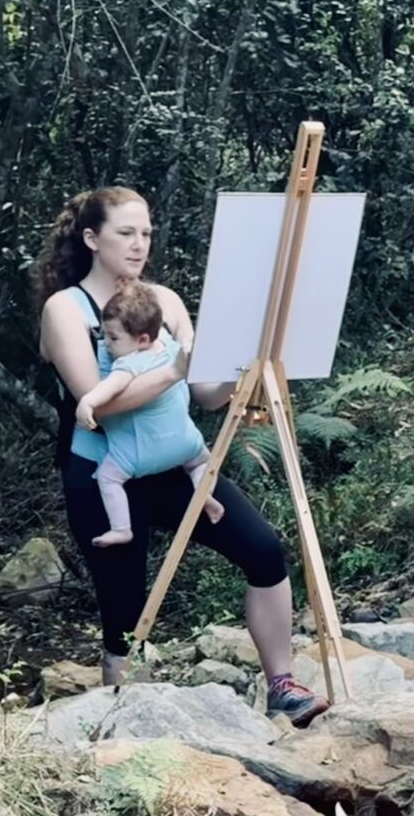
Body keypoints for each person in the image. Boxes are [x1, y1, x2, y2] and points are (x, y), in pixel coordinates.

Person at [33, 186, 329, 727]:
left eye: (146, 233)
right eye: (126, 232)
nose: (139, 244)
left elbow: (203, 391)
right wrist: (175, 367)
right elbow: (97, 402)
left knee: (263, 552)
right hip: (107, 476)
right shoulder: (65, 309)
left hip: (176, 465)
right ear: (92, 238)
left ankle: (282, 684)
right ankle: (120, 732)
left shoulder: (164, 300)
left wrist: (247, 372)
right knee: (124, 612)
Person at [75, 281, 224, 548]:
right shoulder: (169, 347)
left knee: (109, 478)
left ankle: (121, 529)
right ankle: (204, 495)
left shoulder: (128, 362)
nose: (106, 343)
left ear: (142, 339)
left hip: (141, 454)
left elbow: (109, 389)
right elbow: (191, 349)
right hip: (186, 445)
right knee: (204, 463)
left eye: (113, 337)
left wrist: (87, 402)